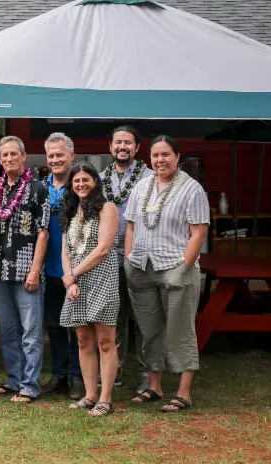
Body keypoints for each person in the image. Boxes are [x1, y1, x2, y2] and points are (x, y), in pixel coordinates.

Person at [124, 136, 208, 413]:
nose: (160, 160)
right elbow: (132, 227)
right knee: (149, 331)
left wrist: (184, 266)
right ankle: (155, 386)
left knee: (180, 330)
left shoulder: (192, 189)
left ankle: (184, 392)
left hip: (175, 268)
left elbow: (199, 233)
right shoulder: (142, 186)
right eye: (156, 155)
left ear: (177, 156)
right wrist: (128, 260)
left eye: (166, 155)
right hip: (141, 268)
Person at [0, 136, 50, 403]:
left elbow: (43, 232)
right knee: (8, 330)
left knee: (31, 331)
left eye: (14, 154)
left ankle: (30, 385)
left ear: (24, 157)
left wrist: (35, 269)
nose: (9, 159)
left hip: (27, 271)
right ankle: (14, 380)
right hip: (1, 270)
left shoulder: (38, 188)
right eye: (4, 155)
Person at [60, 162, 121, 417]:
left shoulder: (107, 208)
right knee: (83, 340)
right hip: (76, 281)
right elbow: (66, 250)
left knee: (105, 341)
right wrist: (70, 279)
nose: (81, 184)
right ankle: (90, 394)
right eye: (76, 181)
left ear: (95, 181)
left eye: (86, 179)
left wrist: (73, 274)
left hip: (102, 277)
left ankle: (105, 399)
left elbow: (103, 249)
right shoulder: (71, 211)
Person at [102, 125, 153, 393]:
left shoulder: (150, 177)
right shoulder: (99, 179)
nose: (123, 147)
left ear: (137, 148)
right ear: (110, 146)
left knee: (143, 316)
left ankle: (148, 372)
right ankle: (115, 369)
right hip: (108, 255)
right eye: (118, 142)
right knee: (114, 315)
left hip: (141, 255)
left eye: (128, 143)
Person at [42, 133, 84, 401]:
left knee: (78, 325)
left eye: (60, 154)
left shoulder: (82, 184)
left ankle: (78, 376)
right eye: (51, 156)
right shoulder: (39, 187)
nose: (55, 160)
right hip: (47, 267)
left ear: (71, 155)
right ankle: (58, 374)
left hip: (76, 268)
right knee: (54, 324)